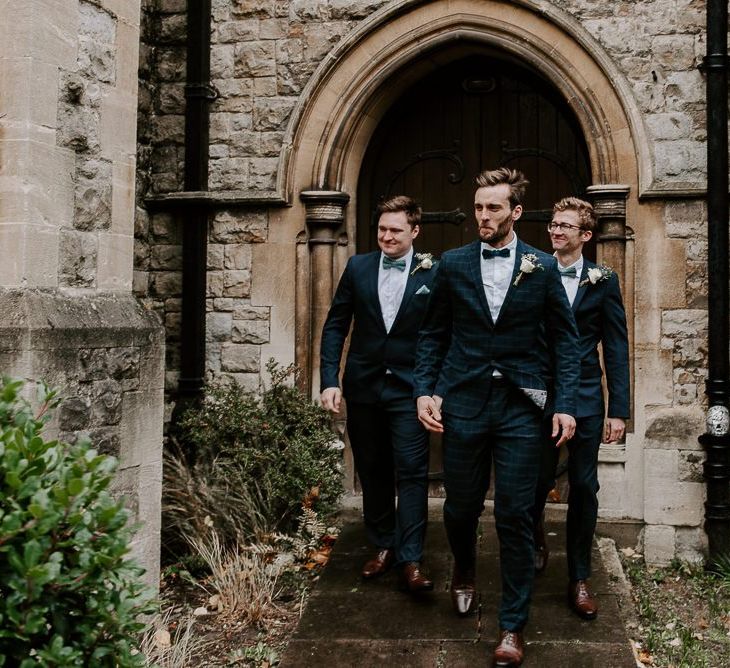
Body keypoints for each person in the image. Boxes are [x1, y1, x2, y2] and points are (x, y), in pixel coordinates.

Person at [414, 168, 580, 667]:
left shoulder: (542, 267)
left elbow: (566, 343)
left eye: (493, 208)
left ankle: (512, 625)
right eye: (478, 208)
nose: (482, 216)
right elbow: (431, 335)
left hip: (522, 407)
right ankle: (464, 567)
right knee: (460, 508)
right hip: (462, 402)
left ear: (515, 212)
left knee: (514, 514)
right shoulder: (453, 263)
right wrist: (425, 390)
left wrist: (565, 402)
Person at [320, 195, 438, 593]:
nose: (386, 237)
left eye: (396, 230)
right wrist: (329, 379)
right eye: (382, 230)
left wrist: (432, 389)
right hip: (364, 386)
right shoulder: (358, 266)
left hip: (410, 390)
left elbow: (442, 335)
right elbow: (336, 324)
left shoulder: (432, 272)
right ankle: (383, 545)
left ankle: (411, 558)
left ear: (415, 231)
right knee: (372, 470)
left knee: (411, 471)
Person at [531, 197, 630, 621]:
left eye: (565, 226)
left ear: (585, 235)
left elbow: (617, 345)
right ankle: (534, 533)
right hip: (541, 394)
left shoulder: (602, 280)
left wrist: (619, 410)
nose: (556, 231)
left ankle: (580, 576)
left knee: (585, 486)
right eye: (553, 224)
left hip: (588, 394)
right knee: (534, 480)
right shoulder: (532, 269)